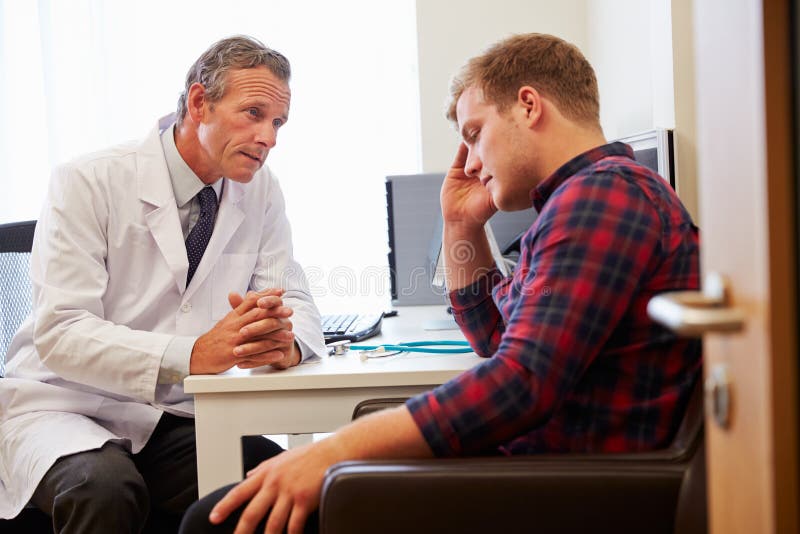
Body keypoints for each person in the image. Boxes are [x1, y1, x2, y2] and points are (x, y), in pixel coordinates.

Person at [179, 32, 701, 534]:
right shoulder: (589, 197)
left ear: (528, 105)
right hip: (547, 470)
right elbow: (494, 338)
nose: (471, 162)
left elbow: (521, 381)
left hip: (563, 487)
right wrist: (461, 224)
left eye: (474, 134)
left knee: (215, 520)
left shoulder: (600, 197)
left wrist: (335, 450)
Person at [0, 35, 327, 532]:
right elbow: (61, 332)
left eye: (278, 122)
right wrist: (193, 354)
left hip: (167, 415)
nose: (270, 137)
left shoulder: (260, 190)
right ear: (200, 103)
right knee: (105, 489)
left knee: (283, 486)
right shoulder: (87, 180)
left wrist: (286, 343)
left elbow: (291, 294)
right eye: (254, 113)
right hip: (61, 405)